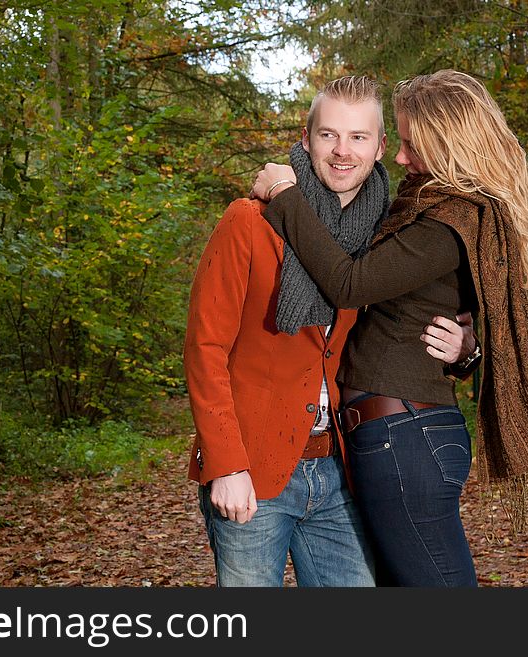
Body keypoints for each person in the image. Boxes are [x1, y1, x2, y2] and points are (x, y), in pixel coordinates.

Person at [252, 69, 528, 587]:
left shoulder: (446, 223)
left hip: (404, 436)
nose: (402, 158)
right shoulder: (429, 209)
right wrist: (466, 349)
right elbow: (457, 308)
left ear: (449, 143)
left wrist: (285, 195)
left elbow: (348, 282)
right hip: (398, 431)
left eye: (413, 145)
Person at [183, 75, 476, 587]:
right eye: (328, 135)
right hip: (254, 467)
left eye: (359, 137)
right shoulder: (249, 222)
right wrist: (225, 464)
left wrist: (465, 349)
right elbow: (205, 348)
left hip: (340, 469)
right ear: (306, 138)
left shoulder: (384, 236)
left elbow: (417, 317)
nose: (343, 152)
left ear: (382, 148)